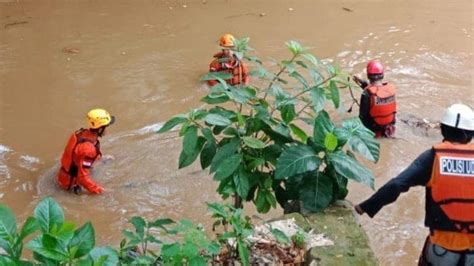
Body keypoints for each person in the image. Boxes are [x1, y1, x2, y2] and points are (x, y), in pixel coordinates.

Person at [354, 103, 474, 265]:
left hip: (441, 254)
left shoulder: (433, 158)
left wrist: (364, 207)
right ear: (471, 135)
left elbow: (397, 185)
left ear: (443, 130)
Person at [57, 108, 115, 194]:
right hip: (70, 184)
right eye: (106, 127)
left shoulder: (80, 133)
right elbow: (82, 178)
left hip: (64, 175)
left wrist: (101, 158)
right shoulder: (88, 149)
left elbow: (78, 155)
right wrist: (99, 190)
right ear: (100, 129)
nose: (107, 130)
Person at [353, 60, 397, 138]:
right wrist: (362, 83)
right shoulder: (390, 89)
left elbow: (362, 117)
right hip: (389, 129)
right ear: (382, 74)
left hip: (374, 131)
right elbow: (377, 91)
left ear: (368, 75)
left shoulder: (366, 94)